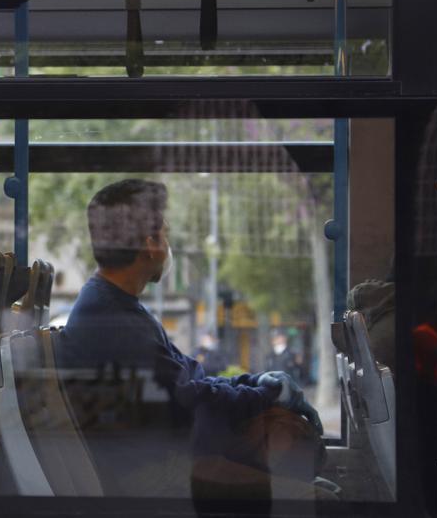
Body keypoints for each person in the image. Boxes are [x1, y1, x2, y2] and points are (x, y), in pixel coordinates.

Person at [54, 179, 323, 500]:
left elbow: (188, 383)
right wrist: (266, 393)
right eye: (166, 235)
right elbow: (193, 400)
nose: (168, 246)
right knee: (317, 499)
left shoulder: (112, 304)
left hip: (166, 454)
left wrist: (256, 385)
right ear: (151, 243)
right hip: (152, 472)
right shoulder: (113, 319)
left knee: (288, 432)